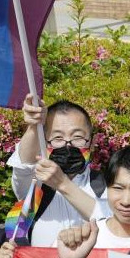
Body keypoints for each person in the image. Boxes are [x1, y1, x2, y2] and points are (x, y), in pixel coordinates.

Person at [10, 95, 110, 247]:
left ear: (93, 141)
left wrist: (62, 184)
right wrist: (33, 125)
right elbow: (24, 164)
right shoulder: (35, 187)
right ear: (43, 142)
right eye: (57, 138)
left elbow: (112, 221)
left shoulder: (107, 186)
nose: (67, 145)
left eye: (77, 137)